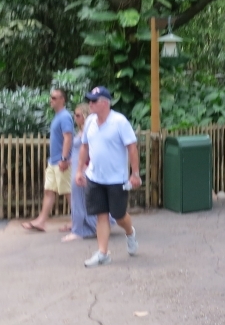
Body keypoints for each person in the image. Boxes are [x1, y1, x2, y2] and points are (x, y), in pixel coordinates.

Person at [75, 87, 141, 267]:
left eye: (94, 101)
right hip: (95, 177)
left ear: (105, 103)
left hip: (116, 179)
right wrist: (80, 170)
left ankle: (130, 232)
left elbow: (132, 147)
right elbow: (84, 147)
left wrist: (135, 174)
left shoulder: (119, 121)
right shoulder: (90, 122)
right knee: (101, 215)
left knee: (119, 216)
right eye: (90, 100)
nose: (90, 104)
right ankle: (103, 253)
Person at [22, 87, 73, 232]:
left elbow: (68, 137)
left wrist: (64, 158)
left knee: (68, 193)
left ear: (62, 100)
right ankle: (41, 222)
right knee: (49, 191)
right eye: (51, 97)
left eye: (55, 98)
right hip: (53, 161)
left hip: (61, 161)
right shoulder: (57, 116)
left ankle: (78, 222)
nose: (51, 100)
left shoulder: (64, 117)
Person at [61, 102, 105, 242]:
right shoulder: (82, 130)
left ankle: (80, 230)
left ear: (85, 115)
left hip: (83, 170)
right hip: (77, 167)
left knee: (80, 200)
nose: (75, 117)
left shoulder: (90, 130)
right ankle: (86, 227)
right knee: (79, 200)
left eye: (78, 115)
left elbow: (91, 149)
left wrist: (85, 167)